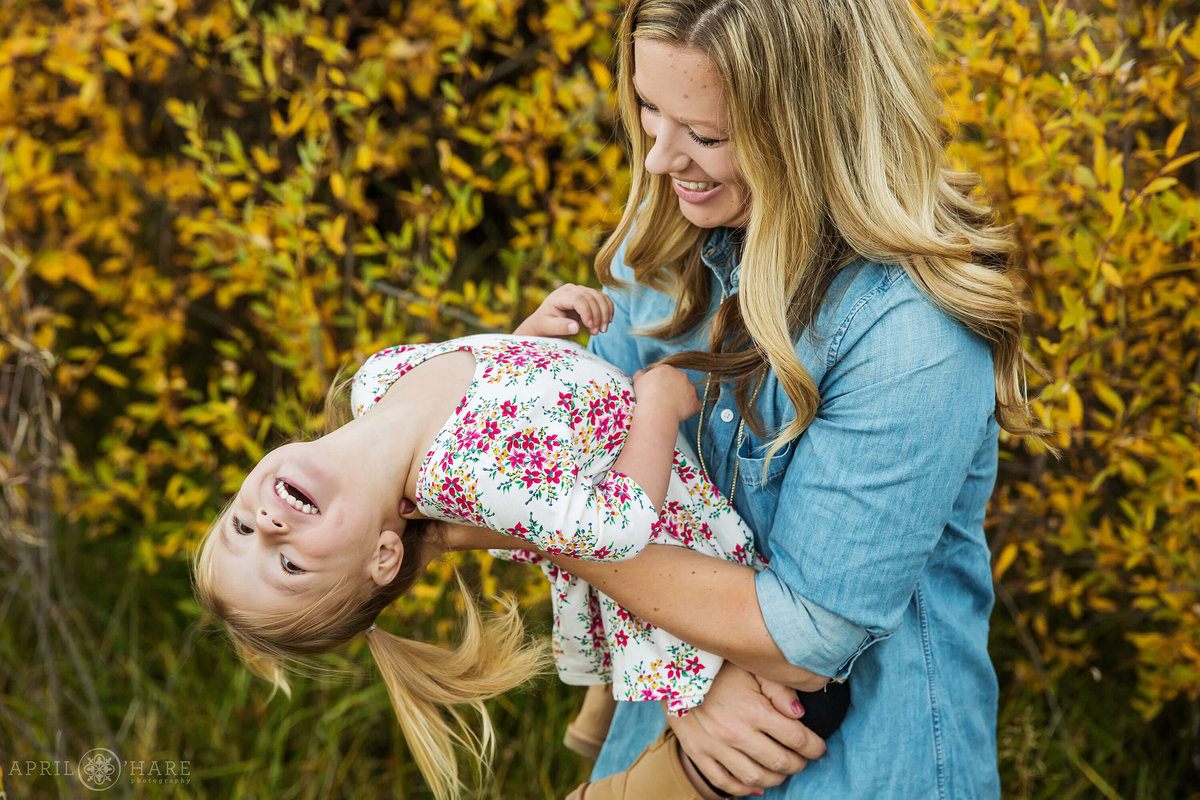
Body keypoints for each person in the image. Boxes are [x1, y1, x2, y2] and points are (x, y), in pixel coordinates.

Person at [550, 0, 1044, 798]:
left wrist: (567, 538)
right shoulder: (671, 245)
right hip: (676, 743)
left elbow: (803, 638)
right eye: (648, 108)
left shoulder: (909, 334)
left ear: (817, 129)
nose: (658, 159)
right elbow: (570, 451)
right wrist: (694, 683)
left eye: (705, 135)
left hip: (852, 769)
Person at [192, 285, 841, 800]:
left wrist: (529, 335)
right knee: (785, 697)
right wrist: (654, 405)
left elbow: (501, 400)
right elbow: (615, 526)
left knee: (656, 651)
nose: (268, 528)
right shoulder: (465, 479)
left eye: (240, 529)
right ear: (383, 557)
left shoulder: (374, 382)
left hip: (589, 436)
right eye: (290, 565)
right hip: (671, 519)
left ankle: (606, 715)